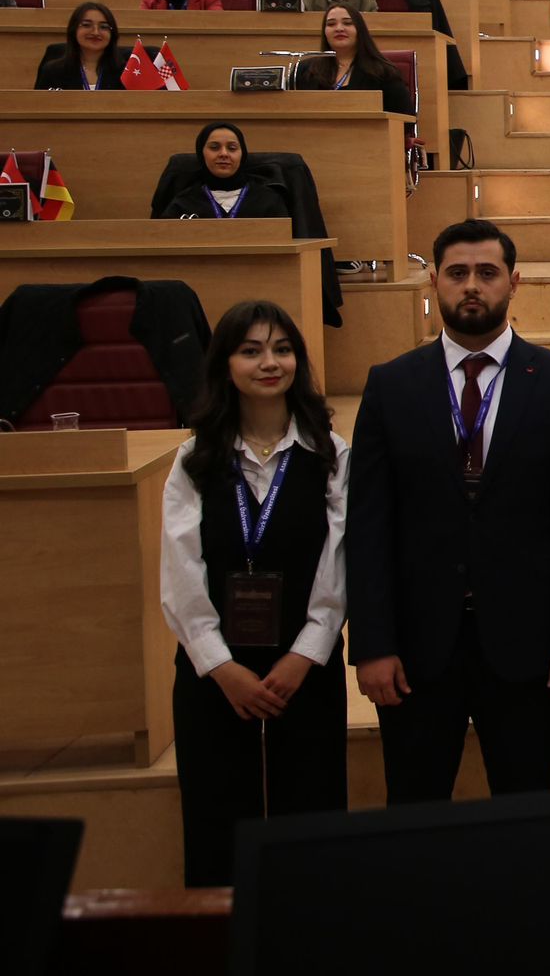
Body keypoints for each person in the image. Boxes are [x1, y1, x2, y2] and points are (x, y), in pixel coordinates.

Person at [348, 219, 550, 803]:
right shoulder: (390, 385)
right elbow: (368, 526)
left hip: (528, 644)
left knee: (527, 807)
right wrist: (372, 643)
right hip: (416, 647)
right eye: (457, 273)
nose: (471, 285)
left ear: (514, 282)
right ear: (433, 282)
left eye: (487, 273)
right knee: (414, 810)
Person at [159, 300, 349, 885]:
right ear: (225, 364)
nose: (270, 363)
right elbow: (180, 570)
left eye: (282, 349)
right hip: (215, 670)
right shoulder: (194, 458)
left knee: (312, 818)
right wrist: (220, 666)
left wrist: (305, 654)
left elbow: (339, 563)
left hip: (304, 664)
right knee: (216, 822)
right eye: (251, 351)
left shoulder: (330, 453)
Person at [159, 120, 292, 221]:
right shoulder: (183, 203)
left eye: (232, 148)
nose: (224, 154)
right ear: (201, 154)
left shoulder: (268, 200)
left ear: (242, 155)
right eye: (214, 147)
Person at [318, 5, 417, 115]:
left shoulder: (384, 73)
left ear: (360, 30)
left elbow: (406, 118)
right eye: (331, 24)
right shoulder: (306, 71)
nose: (339, 28)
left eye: (347, 23)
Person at [32, 1, 125, 89]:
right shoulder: (53, 71)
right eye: (86, 25)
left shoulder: (126, 73)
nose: (96, 32)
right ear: (74, 29)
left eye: (103, 27)